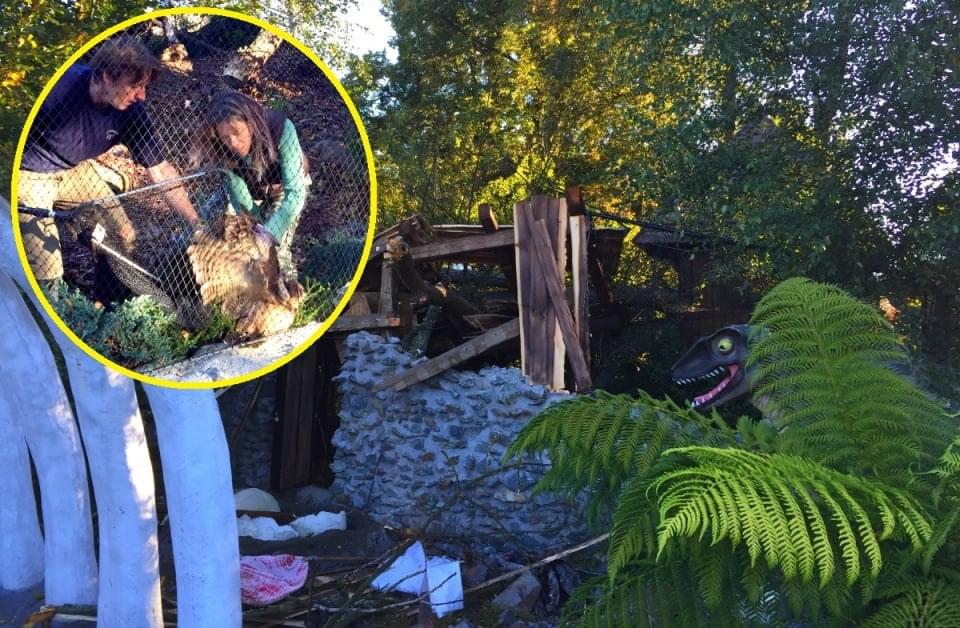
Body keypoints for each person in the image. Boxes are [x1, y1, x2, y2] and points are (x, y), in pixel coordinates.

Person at [17, 35, 200, 284]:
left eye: (145, 87)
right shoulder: (58, 87)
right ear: (107, 77)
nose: (142, 96)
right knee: (49, 272)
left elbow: (161, 170)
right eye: (135, 86)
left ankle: (113, 287)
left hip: (74, 170)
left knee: (125, 232)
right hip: (30, 174)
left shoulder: (130, 111)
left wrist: (196, 224)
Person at [189, 89, 309, 275]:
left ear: (250, 123)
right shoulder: (220, 149)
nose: (233, 143)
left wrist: (267, 235)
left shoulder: (280, 128)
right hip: (251, 190)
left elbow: (295, 192)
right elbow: (241, 198)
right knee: (208, 228)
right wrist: (254, 228)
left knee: (274, 255)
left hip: (284, 189)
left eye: (237, 132)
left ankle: (287, 286)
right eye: (225, 137)